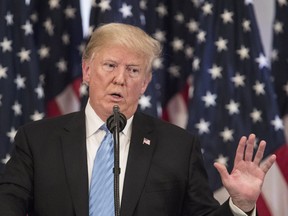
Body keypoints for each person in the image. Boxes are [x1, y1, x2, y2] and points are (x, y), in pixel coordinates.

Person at [0, 23, 276, 216]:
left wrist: (239, 204)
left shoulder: (178, 146)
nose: (120, 79)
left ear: (145, 83)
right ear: (86, 70)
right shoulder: (37, 140)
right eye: (110, 66)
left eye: (133, 70)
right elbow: (7, 204)